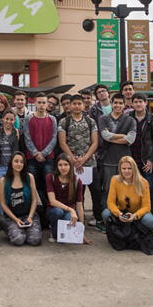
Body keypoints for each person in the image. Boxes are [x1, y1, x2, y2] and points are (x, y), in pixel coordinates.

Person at [57, 94, 104, 232]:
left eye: (79, 103)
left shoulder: (90, 122)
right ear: (70, 105)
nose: (77, 106)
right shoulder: (64, 122)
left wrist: (83, 159)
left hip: (90, 164)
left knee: (96, 191)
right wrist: (73, 160)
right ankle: (77, 219)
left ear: (84, 105)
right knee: (77, 194)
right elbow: (62, 143)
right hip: (71, 164)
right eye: (74, 104)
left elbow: (95, 142)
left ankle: (99, 218)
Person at [128, 93, 153, 227]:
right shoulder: (128, 118)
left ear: (145, 103)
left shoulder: (152, 120)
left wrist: (152, 160)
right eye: (135, 102)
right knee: (131, 190)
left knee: (149, 190)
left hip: (146, 162)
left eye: (140, 101)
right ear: (132, 104)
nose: (138, 104)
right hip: (131, 161)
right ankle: (134, 217)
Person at [46, 154, 93, 244]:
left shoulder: (77, 181)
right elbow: (52, 201)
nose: (63, 168)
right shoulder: (50, 177)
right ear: (57, 166)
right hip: (54, 209)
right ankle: (52, 228)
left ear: (70, 166)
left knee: (68, 221)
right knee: (58, 212)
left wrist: (81, 231)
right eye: (60, 165)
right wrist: (71, 209)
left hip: (68, 211)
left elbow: (79, 205)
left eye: (66, 165)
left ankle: (58, 231)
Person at [99, 94, 136, 204]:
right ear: (111, 103)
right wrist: (121, 135)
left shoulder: (130, 120)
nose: (118, 105)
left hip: (125, 161)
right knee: (107, 189)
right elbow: (104, 136)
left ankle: (122, 215)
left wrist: (111, 136)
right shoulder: (104, 118)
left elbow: (131, 139)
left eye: (120, 103)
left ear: (124, 105)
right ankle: (106, 215)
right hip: (108, 160)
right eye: (115, 103)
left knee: (125, 190)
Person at [0, 152, 41, 246]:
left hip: (28, 215)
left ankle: (27, 229)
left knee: (34, 240)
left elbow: (34, 200)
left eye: (22, 162)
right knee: (18, 240)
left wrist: (30, 216)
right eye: (16, 161)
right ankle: (16, 230)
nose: (19, 164)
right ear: (11, 163)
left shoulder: (29, 177)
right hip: (11, 217)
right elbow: (3, 204)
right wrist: (15, 219)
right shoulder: (3, 181)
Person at [102, 156, 153, 230]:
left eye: (129, 168)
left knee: (149, 220)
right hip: (121, 213)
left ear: (134, 169)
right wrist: (118, 213)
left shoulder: (143, 183)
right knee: (106, 213)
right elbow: (110, 202)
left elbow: (146, 206)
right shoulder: (115, 180)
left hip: (137, 214)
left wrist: (135, 215)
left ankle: (140, 235)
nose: (126, 171)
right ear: (120, 169)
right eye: (124, 168)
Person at [24, 92, 57, 203]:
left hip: (48, 158)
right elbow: (27, 138)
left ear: (47, 104)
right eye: (39, 102)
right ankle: (35, 212)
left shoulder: (52, 119)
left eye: (44, 102)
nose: (42, 105)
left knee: (48, 187)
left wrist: (43, 154)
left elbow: (54, 138)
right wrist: (36, 153)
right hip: (31, 158)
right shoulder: (28, 118)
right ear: (35, 104)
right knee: (33, 187)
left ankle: (48, 212)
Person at [0, 109, 21, 181]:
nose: (9, 121)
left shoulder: (18, 133)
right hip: (0, 167)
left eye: (11, 119)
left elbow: (21, 150)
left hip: (13, 167)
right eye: (7, 119)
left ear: (14, 121)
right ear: (2, 118)